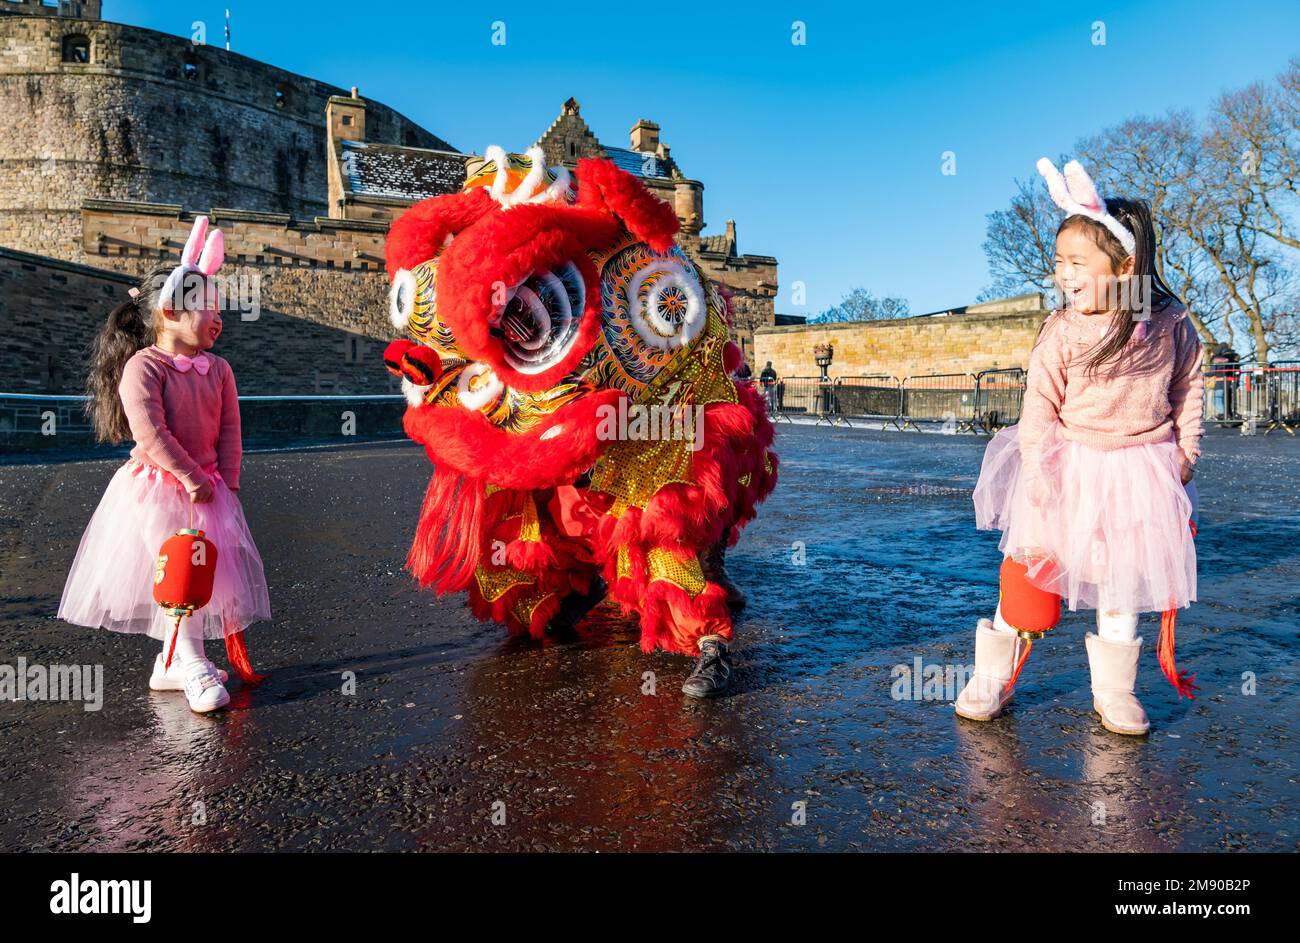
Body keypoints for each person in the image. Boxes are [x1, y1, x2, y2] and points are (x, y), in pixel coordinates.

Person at [956, 158, 1202, 736]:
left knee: (1121, 582)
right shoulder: (1062, 330)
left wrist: (1187, 452)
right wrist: (1038, 472)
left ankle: (1114, 692)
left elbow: (1189, 384)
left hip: (1139, 467)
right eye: (1058, 262)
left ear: (1125, 265)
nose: (1063, 275)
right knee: (1028, 578)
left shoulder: (1167, 322)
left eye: (1076, 263)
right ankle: (991, 677)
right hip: (1064, 465)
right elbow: (1038, 405)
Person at [58, 217, 270, 713]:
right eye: (206, 308)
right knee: (179, 574)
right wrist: (192, 476)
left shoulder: (219, 369)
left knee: (202, 574)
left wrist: (228, 480)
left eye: (219, 309)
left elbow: (230, 429)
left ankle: (172, 661)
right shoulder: (144, 367)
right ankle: (190, 658)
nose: (217, 318)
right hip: (158, 487)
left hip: (207, 489)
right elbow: (150, 433)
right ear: (170, 310)